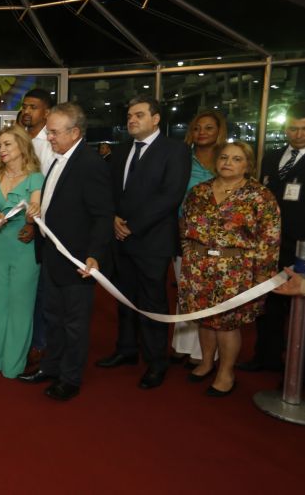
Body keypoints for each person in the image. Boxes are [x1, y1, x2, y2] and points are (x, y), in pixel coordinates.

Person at [20, 103, 113, 401]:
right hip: (52, 255)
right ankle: (50, 367)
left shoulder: (90, 164)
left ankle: (70, 378)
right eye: (49, 132)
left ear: (74, 133)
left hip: (76, 260)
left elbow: (103, 216)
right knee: (53, 317)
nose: (49, 138)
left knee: (74, 324)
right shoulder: (59, 158)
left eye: (54, 133)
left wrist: (94, 255)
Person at [96, 94, 190, 389]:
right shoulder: (121, 150)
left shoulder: (175, 150)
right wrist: (113, 218)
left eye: (139, 115)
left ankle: (156, 362)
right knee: (124, 298)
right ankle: (126, 350)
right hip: (120, 238)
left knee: (153, 302)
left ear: (156, 118)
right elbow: (109, 190)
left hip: (152, 241)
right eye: (129, 116)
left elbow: (170, 195)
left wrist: (132, 226)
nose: (132, 120)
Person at [178, 142, 280, 396]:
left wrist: (263, 275)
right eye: (224, 157)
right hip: (198, 267)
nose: (228, 163)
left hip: (235, 270)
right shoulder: (199, 192)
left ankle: (226, 373)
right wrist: (189, 256)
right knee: (204, 318)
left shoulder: (259, 195)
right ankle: (206, 362)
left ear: (248, 165)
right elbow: (184, 226)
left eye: (236, 159)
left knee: (227, 323)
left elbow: (269, 238)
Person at [239, 101, 305, 385]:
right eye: (292, 128)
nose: (298, 135)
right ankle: (266, 356)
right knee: (269, 306)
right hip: (270, 248)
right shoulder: (272, 157)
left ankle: (299, 373)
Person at [0, 125, 43, 378]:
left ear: (22, 145)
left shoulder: (35, 177)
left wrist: (32, 216)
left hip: (24, 246)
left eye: (8, 144)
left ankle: (13, 364)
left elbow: (36, 208)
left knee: (21, 304)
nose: (2, 149)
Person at [170, 110, 227, 368]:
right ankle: (182, 345)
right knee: (186, 289)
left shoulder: (226, 158)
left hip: (218, 237)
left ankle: (204, 353)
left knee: (209, 293)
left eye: (208, 128)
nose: (202, 132)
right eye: (197, 128)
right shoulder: (182, 158)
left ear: (219, 131)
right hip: (184, 233)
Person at [20, 88, 54, 370]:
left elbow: (47, 189)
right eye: (25, 106)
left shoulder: (50, 142)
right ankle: (21, 339)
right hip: (15, 223)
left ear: (47, 112)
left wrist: (33, 223)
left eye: (33, 107)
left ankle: (39, 343)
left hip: (41, 225)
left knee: (41, 289)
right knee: (21, 288)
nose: (27, 111)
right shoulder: (20, 139)